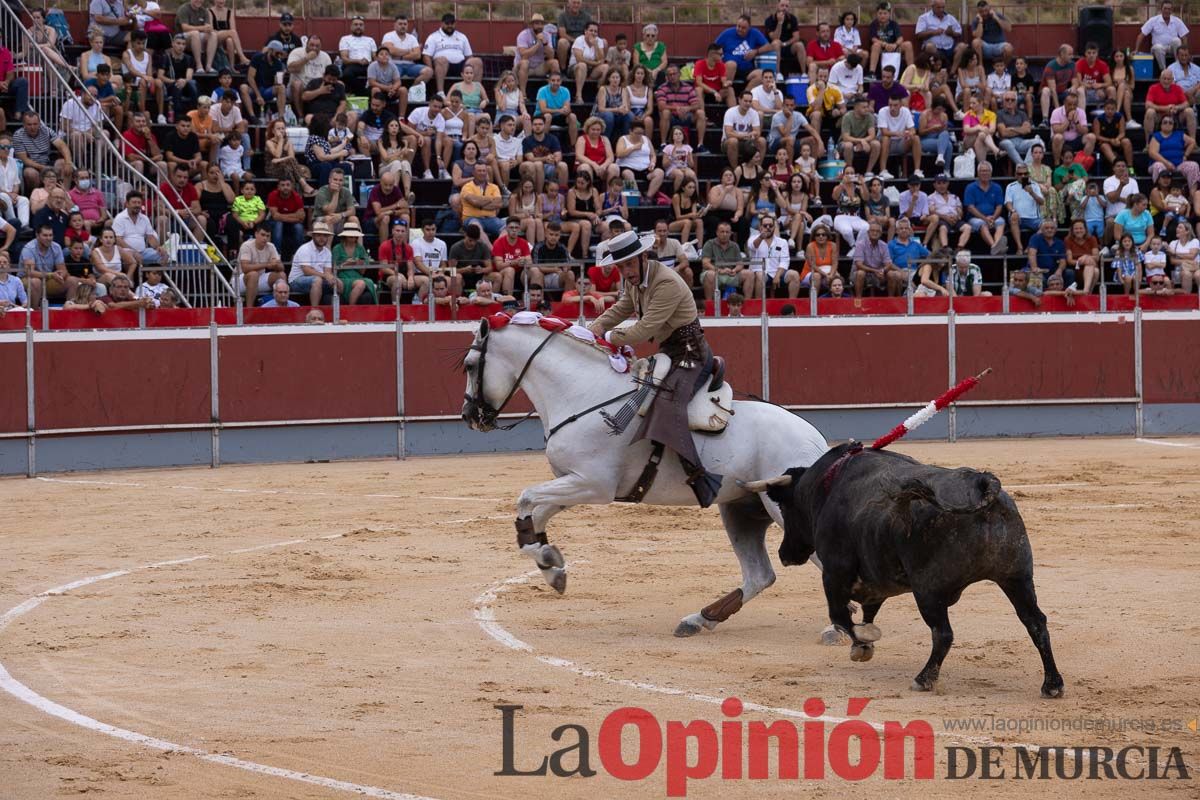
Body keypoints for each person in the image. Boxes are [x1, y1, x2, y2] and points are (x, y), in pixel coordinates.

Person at [586, 229, 722, 507]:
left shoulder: (666, 283)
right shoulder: (635, 281)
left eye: (628, 264)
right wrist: (594, 328)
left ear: (642, 257)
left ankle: (699, 475)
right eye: (620, 266)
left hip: (691, 354)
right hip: (669, 352)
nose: (625, 271)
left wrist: (608, 337)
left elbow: (645, 328)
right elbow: (621, 308)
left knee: (668, 405)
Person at [424, 13, 483, 97]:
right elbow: (426, 55)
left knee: (477, 61)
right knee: (441, 60)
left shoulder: (462, 36)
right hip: (442, 66)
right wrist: (430, 69)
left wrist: (470, 66)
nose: (450, 26)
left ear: (455, 24)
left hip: (460, 65)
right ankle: (440, 93)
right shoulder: (433, 37)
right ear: (442, 24)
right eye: (447, 23)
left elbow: (469, 56)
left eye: (452, 23)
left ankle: (475, 93)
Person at [716, 14, 774, 92]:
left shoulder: (754, 33)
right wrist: (720, 57)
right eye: (738, 26)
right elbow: (714, 48)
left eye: (743, 28)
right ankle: (726, 92)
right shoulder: (727, 33)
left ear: (749, 28)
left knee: (761, 74)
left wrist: (755, 52)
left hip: (746, 68)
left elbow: (769, 46)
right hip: (729, 67)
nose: (740, 29)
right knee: (732, 64)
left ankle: (744, 96)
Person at [656, 65, 705, 149]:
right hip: (671, 117)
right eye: (669, 75)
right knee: (665, 112)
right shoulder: (662, 88)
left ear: (679, 75)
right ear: (666, 77)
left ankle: (700, 145)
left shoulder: (688, 88)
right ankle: (663, 144)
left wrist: (687, 109)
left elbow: (697, 105)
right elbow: (661, 106)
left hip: (686, 115)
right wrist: (677, 108)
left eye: (674, 74)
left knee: (701, 113)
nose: (672, 76)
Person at [288, 222, 336, 306]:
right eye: (319, 235)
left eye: (325, 236)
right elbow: (307, 271)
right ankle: (314, 310)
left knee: (338, 283)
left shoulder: (327, 252)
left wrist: (331, 278)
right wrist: (325, 276)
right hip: (296, 280)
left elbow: (327, 271)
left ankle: (339, 313)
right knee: (317, 280)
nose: (322, 238)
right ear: (313, 236)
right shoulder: (305, 249)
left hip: (318, 278)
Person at [237, 223, 284, 307]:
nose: (265, 238)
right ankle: (249, 309)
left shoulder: (271, 246)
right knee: (253, 274)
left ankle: (281, 306)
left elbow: (282, 268)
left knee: (281, 275)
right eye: (262, 235)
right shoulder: (246, 245)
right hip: (240, 279)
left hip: (259, 278)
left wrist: (276, 264)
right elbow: (245, 268)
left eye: (267, 236)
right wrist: (266, 264)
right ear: (256, 234)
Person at [616, 120, 663, 202]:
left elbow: (653, 155)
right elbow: (619, 154)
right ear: (630, 131)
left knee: (660, 172)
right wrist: (633, 148)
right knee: (628, 174)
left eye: (641, 133)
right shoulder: (623, 139)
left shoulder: (646, 139)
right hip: (628, 167)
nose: (639, 136)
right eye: (637, 133)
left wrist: (652, 162)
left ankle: (648, 197)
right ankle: (636, 197)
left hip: (645, 168)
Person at [240, 40, 287, 124]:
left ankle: (281, 117)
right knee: (243, 88)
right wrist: (258, 95)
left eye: (280, 53)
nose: (278, 55)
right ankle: (252, 116)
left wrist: (281, 74)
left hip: (267, 90)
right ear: (270, 50)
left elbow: (277, 83)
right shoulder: (257, 58)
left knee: (282, 87)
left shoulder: (278, 63)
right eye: (277, 53)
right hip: (255, 89)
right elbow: (250, 77)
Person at [520, 114, 569, 193]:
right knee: (538, 164)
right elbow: (531, 158)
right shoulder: (527, 140)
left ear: (544, 125)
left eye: (540, 124)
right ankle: (538, 194)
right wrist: (545, 159)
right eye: (535, 124)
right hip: (534, 168)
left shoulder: (552, 138)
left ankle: (562, 195)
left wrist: (554, 160)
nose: (537, 126)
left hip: (549, 166)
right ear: (532, 126)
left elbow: (558, 155)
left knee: (563, 165)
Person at [1136, 0, 1190, 71]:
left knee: (1176, 40)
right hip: (1157, 49)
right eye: (1165, 8)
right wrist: (1136, 50)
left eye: (1169, 9)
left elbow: (1184, 37)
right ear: (1161, 9)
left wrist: (1185, 51)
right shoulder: (1153, 20)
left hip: (1171, 49)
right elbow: (1141, 35)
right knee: (1159, 47)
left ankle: (1178, 67)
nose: (1167, 11)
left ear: (1171, 10)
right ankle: (1164, 71)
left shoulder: (1177, 21)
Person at [877, 94, 921, 180]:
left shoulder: (906, 111)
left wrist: (910, 133)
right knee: (886, 138)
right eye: (890, 105)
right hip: (886, 143)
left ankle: (917, 170)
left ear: (901, 105)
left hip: (901, 142)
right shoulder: (882, 111)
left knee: (916, 138)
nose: (892, 108)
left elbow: (913, 130)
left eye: (895, 105)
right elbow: (884, 132)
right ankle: (883, 170)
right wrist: (899, 133)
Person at [1148, 116, 1200, 189]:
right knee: (1158, 166)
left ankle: (1193, 194)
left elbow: (1192, 142)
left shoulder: (1179, 134)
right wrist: (1166, 163)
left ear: (1173, 125)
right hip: (1161, 164)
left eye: (1170, 123)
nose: (1168, 124)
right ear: (1160, 125)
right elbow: (1152, 153)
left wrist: (1185, 155)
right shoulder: (1157, 136)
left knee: (1193, 165)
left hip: (1178, 164)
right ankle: (1161, 193)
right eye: (1165, 122)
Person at [915, 0, 967, 74]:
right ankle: (936, 72)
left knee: (962, 46)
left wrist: (952, 33)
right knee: (930, 46)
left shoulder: (950, 18)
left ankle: (952, 72)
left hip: (949, 46)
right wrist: (933, 32)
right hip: (934, 47)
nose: (941, 10)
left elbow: (959, 32)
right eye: (938, 7)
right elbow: (919, 34)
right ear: (932, 7)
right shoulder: (924, 18)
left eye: (943, 7)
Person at [515, 12, 559, 94]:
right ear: (531, 25)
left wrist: (545, 43)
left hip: (539, 66)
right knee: (525, 63)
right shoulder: (523, 35)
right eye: (537, 23)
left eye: (542, 24)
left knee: (554, 62)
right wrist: (538, 43)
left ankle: (553, 93)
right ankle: (523, 94)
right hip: (523, 67)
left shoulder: (547, 35)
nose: (540, 26)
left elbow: (551, 56)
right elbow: (524, 55)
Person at [490, 216, 534, 295]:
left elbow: (530, 261)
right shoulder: (498, 242)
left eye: (516, 228)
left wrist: (524, 261)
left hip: (520, 274)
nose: (514, 230)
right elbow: (498, 266)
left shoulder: (523, 242)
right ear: (506, 228)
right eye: (511, 227)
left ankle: (535, 300)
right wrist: (514, 262)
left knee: (535, 271)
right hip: (502, 273)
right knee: (510, 270)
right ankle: (508, 301)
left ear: (519, 229)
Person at [535, 71, 579, 147]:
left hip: (559, 116)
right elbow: (543, 109)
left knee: (572, 116)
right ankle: (542, 146)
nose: (556, 83)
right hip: (542, 115)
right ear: (549, 81)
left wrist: (566, 111)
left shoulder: (565, 91)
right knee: (548, 116)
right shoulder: (542, 90)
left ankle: (573, 146)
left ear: (561, 81)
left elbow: (567, 108)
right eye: (553, 80)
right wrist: (559, 110)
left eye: (558, 80)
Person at [839, 96, 880, 177]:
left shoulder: (870, 117)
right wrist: (861, 141)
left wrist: (863, 141)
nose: (866, 109)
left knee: (876, 144)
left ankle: (868, 171)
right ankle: (850, 171)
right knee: (848, 145)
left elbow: (872, 135)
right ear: (856, 107)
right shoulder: (847, 117)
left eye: (867, 107)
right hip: (847, 143)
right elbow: (846, 137)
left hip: (864, 142)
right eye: (864, 107)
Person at [969, 1, 1012, 66]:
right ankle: (980, 66)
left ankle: (1003, 68)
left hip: (999, 45)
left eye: (986, 10)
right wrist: (980, 21)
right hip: (986, 47)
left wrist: (996, 18)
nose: (984, 13)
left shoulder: (997, 15)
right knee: (975, 42)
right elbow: (978, 36)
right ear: (978, 12)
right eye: (981, 11)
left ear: (990, 9)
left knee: (1009, 49)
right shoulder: (976, 20)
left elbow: (1009, 29)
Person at [1027, 218, 1069, 285]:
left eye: (1052, 228)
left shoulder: (1059, 242)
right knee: (1038, 277)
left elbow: (1063, 261)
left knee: (1069, 273)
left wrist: (1059, 270)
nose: (1049, 230)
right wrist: (1034, 268)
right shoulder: (1035, 238)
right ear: (1042, 230)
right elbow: (1032, 254)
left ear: (1055, 230)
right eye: (1046, 228)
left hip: (1053, 271)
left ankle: (1068, 293)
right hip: (1038, 270)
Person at [556, 0, 592, 72]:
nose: (576, 5)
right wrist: (576, 41)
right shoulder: (562, 16)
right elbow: (562, 34)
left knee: (604, 42)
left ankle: (599, 67)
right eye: (574, 3)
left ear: (581, 4)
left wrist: (584, 41)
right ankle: (563, 70)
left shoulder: (587, 17)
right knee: (562, 42)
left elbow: (590, 30)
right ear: (568, 4)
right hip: (569, 41)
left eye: (578, 3)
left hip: (584, 40)